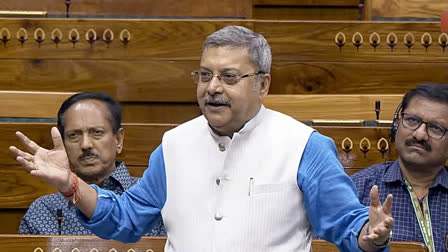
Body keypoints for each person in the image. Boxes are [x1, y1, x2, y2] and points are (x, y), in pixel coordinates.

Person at [10, 26, 393, 251]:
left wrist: (370, 236)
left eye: (228, 77)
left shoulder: (304, 146)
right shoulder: (174, 144)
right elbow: (126, 220)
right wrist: (71, 185)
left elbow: (345, 223)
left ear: (263, 84)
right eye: (204, 75)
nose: (212, 88)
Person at [18, 92, 165, 236]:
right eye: (74, 135)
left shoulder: (152, 200)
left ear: (118, 139)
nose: (86, 144)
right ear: (63, 144)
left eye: (97, 132)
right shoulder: (43, 210)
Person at [351, 84, 448, 252]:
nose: (420, 134)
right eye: (412, 120)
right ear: (397, 123)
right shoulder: (358, 189)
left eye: (435, 128)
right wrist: (370, 242)